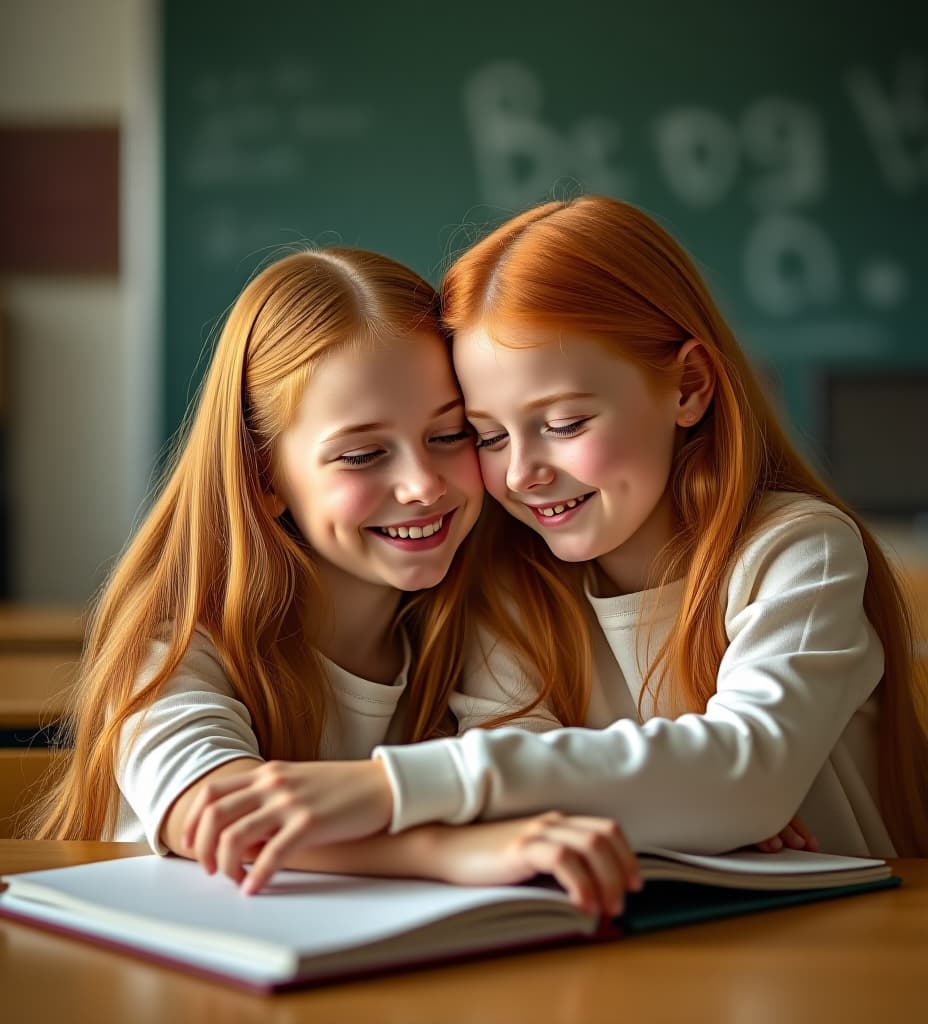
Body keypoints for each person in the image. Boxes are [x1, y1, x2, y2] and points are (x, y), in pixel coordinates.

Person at [186, 198, 925, 888]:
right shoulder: (514, 585)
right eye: (484, 435)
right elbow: (525, 818)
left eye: (566, 424)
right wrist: (692, 814)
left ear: (690, 386)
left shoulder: (798, 552)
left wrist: (391, 785)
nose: (521, 473)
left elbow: (747, 775)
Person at [31, 247, 641, 912]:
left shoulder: (475, 615)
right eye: (362, 455)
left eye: (450, 435)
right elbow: (211, 810)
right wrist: (449, 853)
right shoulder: (181, 636)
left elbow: (539, 772)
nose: (422, 484)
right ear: (264, 478)